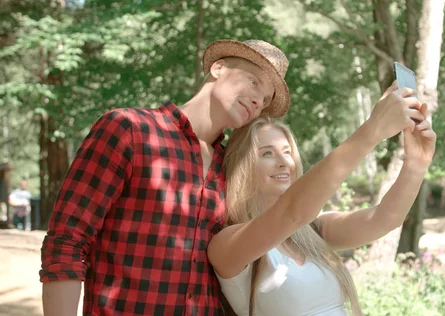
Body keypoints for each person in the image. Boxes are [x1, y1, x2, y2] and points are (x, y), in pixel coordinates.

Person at [40, 39, 293, 316]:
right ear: (219, 68)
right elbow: (67, 242)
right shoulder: (129, 130)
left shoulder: (233, 168)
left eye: (265, 100)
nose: (258, 101)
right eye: (253, 82)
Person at [208, 86, 435, 315]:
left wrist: (416, 163)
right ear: (241, 165)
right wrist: (373, 129)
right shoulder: (227, 244)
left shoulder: (315, 231)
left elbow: (385, 219)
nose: (284, 162)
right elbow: (292, 212)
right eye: (267, 153)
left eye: (287, 152)